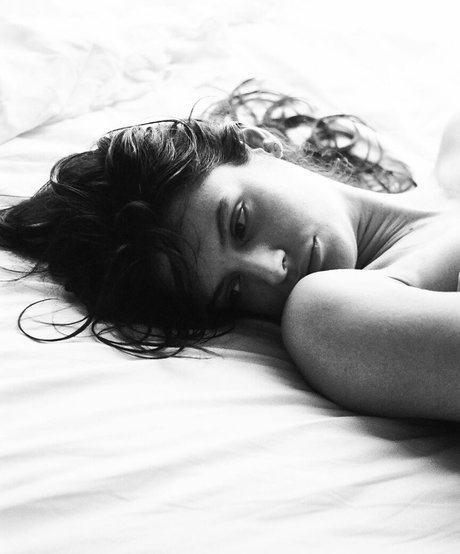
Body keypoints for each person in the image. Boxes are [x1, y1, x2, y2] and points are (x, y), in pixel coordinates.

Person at [2, 81, 460, 422]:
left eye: (240, 223)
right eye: (234, 291)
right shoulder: (331, 317)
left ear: (257, 144)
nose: (273, 272)